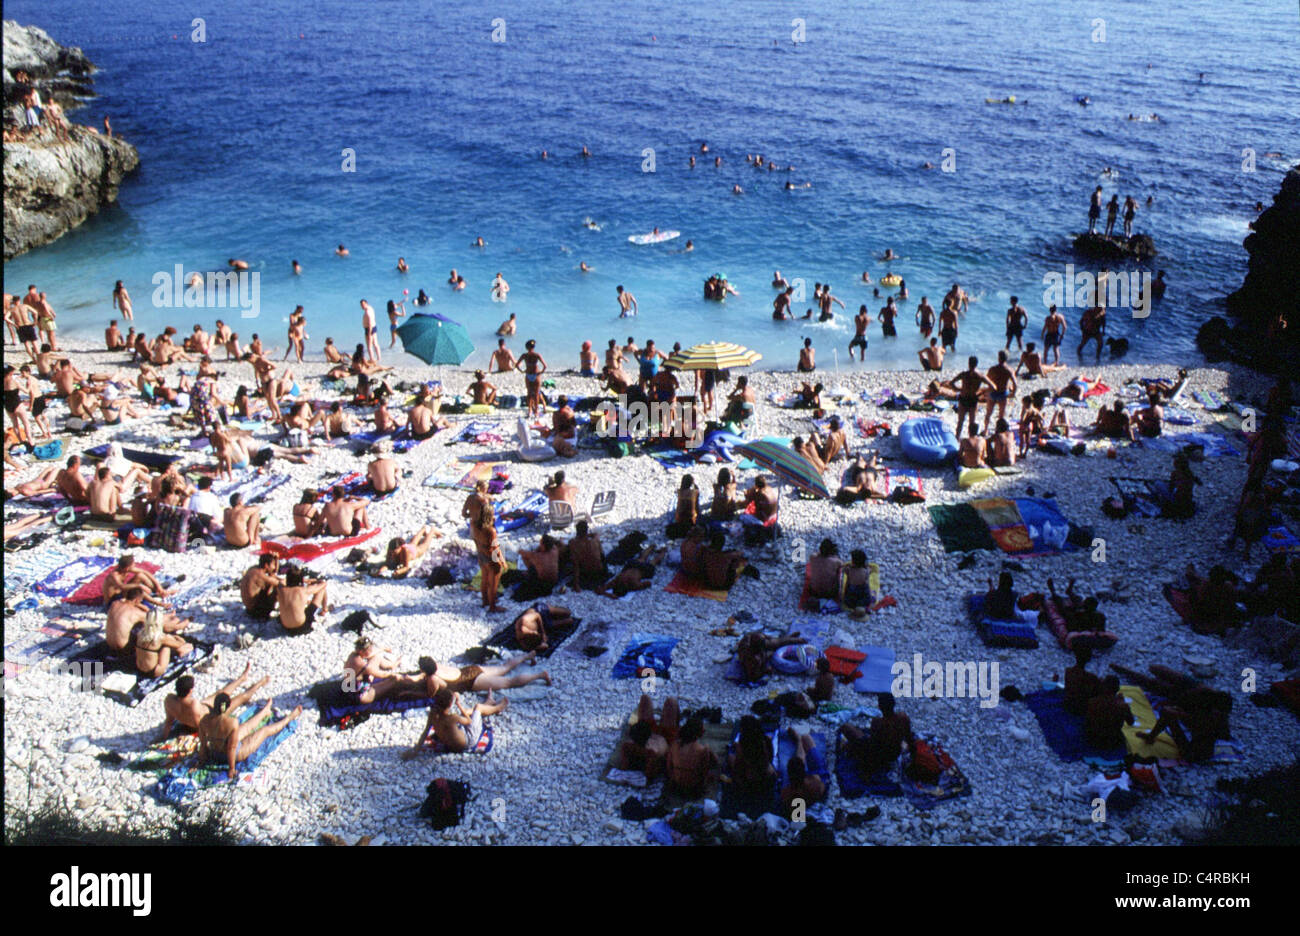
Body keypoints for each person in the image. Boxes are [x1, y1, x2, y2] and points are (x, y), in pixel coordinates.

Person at [199, 694, 302, 780]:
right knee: (264, 731)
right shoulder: (231, 722)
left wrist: (201, 762)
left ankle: (265, 711)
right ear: (228, 706)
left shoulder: (204, 720)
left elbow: (203, 744)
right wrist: (231, 769)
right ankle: (289, 718)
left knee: (245, 727)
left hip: (215, 752)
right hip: (233, 755)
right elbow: (231, 748)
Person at [160, 664, 269, 739]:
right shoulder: (194, 705)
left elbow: (169, 721)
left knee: (220, 693)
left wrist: (164, 737)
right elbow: (203, 728)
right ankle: (260, 683)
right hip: (213, 715)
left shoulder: (169, 700)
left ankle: (242, 678)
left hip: (199, 713)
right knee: (241, 697)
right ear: (190, 690)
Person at [405, 688, 509, 757]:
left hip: (449, 744)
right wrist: (459, 704)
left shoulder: (433, 713)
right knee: (477, 707)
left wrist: (416, 750)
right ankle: (497, 708)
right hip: (468, 741)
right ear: (450, 705)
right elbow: (469, 721)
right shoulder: (452, 718)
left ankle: (488, 703)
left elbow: (425, 732)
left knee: (467, 712)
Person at [839, 693, 913, 777]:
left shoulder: (877, 723)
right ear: (893, 704)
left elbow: (872, 745)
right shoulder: (903, 719)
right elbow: (909, 739)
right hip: (894, 754)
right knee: (859, 733)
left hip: (879, 757)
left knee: (846, 727)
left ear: (880, 706)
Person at [666, 716, 719, 800]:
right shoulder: (702, 750)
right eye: (702, 728)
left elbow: (669, 767)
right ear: (698, 732)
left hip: (676, 784)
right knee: (714, 773)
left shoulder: (674, 744)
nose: (704, 730)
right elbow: (704, 772)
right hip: (693, 788)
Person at [135, 608, 193, 678]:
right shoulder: (160, 638)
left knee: (161, 645)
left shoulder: (140, 633)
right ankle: (181, 653)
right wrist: (178, 638)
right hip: (154, 671)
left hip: (139, 668)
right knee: (167, 646)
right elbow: (179, 644)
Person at [780, 729, 827, 813]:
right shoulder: (815, 783)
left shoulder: (786, 794)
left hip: (803, 787)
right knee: (806, 738)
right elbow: (821, 786)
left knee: (803, 742)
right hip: (813, 783)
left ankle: (798, 741)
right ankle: (799, 740)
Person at [1085, 676, 1136, 749]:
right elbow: (1131, 722)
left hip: (1092, 739)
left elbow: (1088, 720)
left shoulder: (1092, 702)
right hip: (1112, 741)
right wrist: (1122, 703)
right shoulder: (1123, 706)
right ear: (1117, 689)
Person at [948, 356, 993, 438]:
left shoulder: (964, 374)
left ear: (968, 364)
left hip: (963, 398)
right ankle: (971, 440)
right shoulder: (980, 376)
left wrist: (959, 389)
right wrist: (981, 392)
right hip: (973, 399)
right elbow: (993, 387)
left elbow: (951, 383)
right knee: (971, 423)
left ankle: (957, 438)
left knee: (960, 422)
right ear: (976, 364)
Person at [276, 564, 329, 634]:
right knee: (321, 589)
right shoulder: (302, 590)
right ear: (300, 580)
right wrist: (315, 581)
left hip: (285, 626)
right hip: (301, 627)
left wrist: (304, 580)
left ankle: (324, 609)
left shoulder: (281, 589)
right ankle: (324, 609)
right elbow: (323, 584)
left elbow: (282, 581)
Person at [599, 545, 668, 597]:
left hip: (641, 570)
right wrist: (609, 594)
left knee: (654, 561)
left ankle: (664, 551)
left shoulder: (633, 585)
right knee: (642, 557)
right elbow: (600, 590)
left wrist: (611, 595)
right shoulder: (616, 581)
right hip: (631, 565)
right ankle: (651, 547)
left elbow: (648, 583)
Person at [983, 350, 1018, 433]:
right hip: (1003, 393)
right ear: (1006, 359)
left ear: (999, 358)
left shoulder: (993, 369)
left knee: (988, 413)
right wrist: (1013, 393)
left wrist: (988, 390)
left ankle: (985, 430)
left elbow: (987, 380)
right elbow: (1015, 383)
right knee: (1001, 415)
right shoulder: (1009, 370)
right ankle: (998, 431)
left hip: (993, 392)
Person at [569, 520, 607, 591]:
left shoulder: (573, 543)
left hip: (587, 573)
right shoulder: (595, 540)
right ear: (587, 530)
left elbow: (575, 566)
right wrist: (587, 535)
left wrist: (576, 584)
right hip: (600, 572)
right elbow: (595, 534)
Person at [241, 553, 282, 619]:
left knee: (270, 583)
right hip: (255, 611)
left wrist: (276, 559)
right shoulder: (261, 576)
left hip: (248, 608)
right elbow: (279, 583)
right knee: (277, 589)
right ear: (266, 565)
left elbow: (273, 573)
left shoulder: (253, 568)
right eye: (273, 564)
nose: (274, 567)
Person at [515, 339, 548, 418]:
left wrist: (522, 371)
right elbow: (545, 366)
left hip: (528, 375)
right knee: (536, 394)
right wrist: (541, 372)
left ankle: (530, 411)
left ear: (526, 347)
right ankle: (536, 412)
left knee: (529, 394)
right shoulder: (537, 355)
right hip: (536, 375)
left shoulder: (524, 355)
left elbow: (516, 365)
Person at [806, 538, 843, 604]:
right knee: (839, 572)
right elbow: (841, 565)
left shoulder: (813, 557)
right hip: (829, 593)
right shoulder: (835, 561)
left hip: (814, 592)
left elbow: (814, 554)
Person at [839, 549, 872, 614]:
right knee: (866, 587)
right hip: (863, 598)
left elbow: (843, 568)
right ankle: (864, 607)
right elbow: (869, 572)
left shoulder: (849, 570)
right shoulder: (865, 572)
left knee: (849, 586)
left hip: (850, 600)